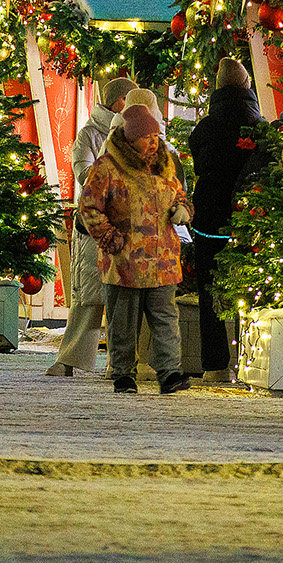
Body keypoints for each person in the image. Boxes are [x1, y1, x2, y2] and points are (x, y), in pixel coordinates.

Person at [78, 104, 192, 395]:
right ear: (130, 138)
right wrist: (111, 239)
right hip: (125, 263)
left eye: (155, 135)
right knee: (123, 322)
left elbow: (179, 193)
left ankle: (170, 373)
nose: (153, 141)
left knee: (166, 320)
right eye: (146, 136)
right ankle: (123, 373)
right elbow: (89, 207)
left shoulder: (165, 164)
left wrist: (183, 208)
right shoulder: (107, 167)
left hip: (163, 260)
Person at [46, 76, 135, 376]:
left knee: (128, 295)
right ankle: (70, 359)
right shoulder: (89, 135)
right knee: (89, 295)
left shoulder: (137, 134)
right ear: (121, 102)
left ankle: (122, 363)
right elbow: (84, 174)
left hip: (127, 225)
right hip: (95, 225)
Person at [186, 58, 262, 380]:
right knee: (251, 290)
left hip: (209, 222)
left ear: (217, 87)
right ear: (247, 86)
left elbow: (198, 163)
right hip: (249, 221)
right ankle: (250, 363)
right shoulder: (260, 127)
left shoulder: (205, 128)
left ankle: (216, 365)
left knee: (210, 291)